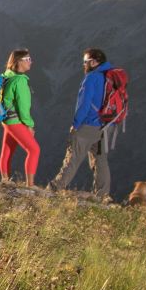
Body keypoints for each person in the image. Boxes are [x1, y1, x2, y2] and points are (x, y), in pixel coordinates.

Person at [49, 47, 113, 199]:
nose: (83, 65)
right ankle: (103, 195)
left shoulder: (91, 78)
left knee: (73, 158)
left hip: (88, 126)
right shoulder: (110, 75)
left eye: (86, 62)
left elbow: (84, 105)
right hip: (105, 126)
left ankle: (54, 189)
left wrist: (76, 124)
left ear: (94, 62)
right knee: (100, 160)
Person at [0, 48, 40, 186]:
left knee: (7, 150)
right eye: (27, 59)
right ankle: (30, 185)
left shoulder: (7, 76)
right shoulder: (20, 81)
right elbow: (23, 107)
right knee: (34, 150)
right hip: (15, 121)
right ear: (18, 62)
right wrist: (29, 125)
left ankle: (5, 181)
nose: (31, 62)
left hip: (6, 119)